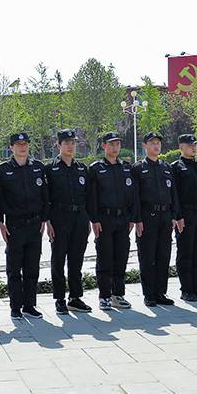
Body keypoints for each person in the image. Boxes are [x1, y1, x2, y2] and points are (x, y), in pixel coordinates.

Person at [0, 132, 49, 320]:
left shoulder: (38, 167)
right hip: (14, 226)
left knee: (32, 268)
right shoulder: (3, 170)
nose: (22, 147)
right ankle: (15, 307)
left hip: (35, 225)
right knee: (14, 269)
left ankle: (29, 305)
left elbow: (45, 196)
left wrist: (44, 220)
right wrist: (0, 223)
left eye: (25, 143)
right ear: (11, 147)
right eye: (18, 144)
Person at [87, 132, 138, 311]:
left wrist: (132, 218)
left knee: (121, 258)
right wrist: (94, 219)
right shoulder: (96, 168)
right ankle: (104, 296)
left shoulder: (126, 168)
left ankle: (118, 294)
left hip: (123, 219)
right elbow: (92, 197)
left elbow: (133, 195)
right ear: (104, 146)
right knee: (105, 258)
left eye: (117, 144)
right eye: (111, 144)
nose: (115, 147)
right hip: (104, 219)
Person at [45, 129, 93, 315]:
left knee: (76, 259)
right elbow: (45, 197)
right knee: (58, 259)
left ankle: (75, 297)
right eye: (66, 143)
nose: (70, 146)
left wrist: (88, 220)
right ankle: (59, 298)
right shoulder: (50, 169)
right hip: (59, 217)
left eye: (73, 143)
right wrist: (48, 222)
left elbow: (88, 196)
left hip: (79, 217)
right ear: (58, 145)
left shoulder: (81, 168)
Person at [132, 132, 182, 307]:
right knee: (147, 257)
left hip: (165, 217)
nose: (156, 146)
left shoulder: (166, 167)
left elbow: (173, 193)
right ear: (144, 146)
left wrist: (175, 215)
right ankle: (149, 294)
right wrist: (137, 219)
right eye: (152, 143)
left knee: (163, 256)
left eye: (158, 143)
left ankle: (161, 292)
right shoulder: (138, 168)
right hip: (147, 217)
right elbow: (135, 197)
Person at [172, 134, 197, 302]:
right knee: (185, 253)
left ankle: (196, 287)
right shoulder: (176, 167)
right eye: (190, 145)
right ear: (181, 147)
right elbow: (174, 195)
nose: (194, 148)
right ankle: (186, 289)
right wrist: (178, 216)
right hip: (186, 215)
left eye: (195, 145)